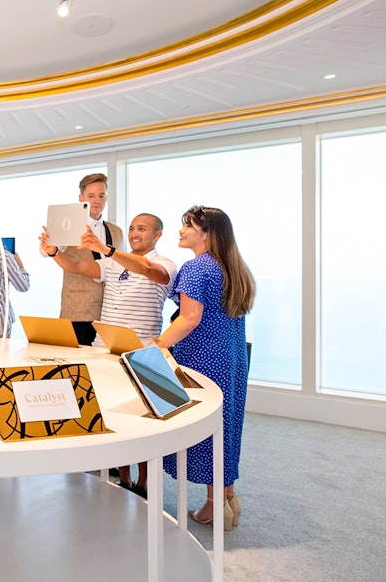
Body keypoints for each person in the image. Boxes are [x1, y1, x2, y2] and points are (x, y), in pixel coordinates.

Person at [40, 213, 178, 496]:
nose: (134, 233)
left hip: (141, 351)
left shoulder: (165, 264)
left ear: (157, 235)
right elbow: (77, 265)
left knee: (141, 421)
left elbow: (149, 270)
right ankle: (122, 479)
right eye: (131, 228)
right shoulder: (113, 263)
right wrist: (54, 252)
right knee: (108, 412)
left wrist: (109, 250)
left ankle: (143, 484)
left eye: (142, 229)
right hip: (105, 349)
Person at [153, 205, 255, 531]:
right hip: (232, 357)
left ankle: (214, 505)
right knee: (226, 426)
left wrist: (155, 346)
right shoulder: (232, 268)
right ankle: (228, 496)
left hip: (202, 358)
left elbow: (189, 318)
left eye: (187, 225)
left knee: (204, 428)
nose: (181, 231)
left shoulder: (197, 268)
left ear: (207, 233)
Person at [43, 173, 124, 346]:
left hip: (110, 313)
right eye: (91, 196)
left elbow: (122, 267)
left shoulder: (116, 231)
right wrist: (50, 245)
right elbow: (47, 251)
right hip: (77, 311)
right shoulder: (69, 225)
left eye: (101, 196)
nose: (97, 201)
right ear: (81, 198)